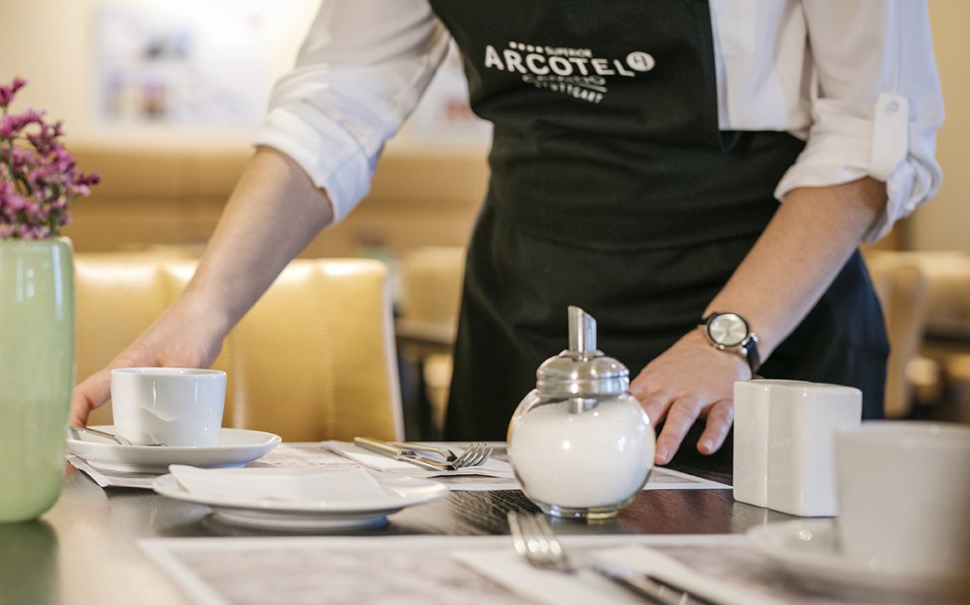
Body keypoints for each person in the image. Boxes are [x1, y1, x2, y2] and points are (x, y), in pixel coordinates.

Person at [72, 0, 944, 467]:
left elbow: (876, 136)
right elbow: (334, 107)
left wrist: (727, 338)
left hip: (765, 324)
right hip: (527, 302)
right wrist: (201, 312)